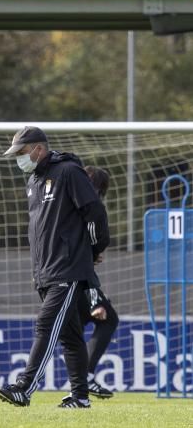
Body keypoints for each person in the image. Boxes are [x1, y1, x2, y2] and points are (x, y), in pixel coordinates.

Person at [0, 126, 110, 409]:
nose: (19, 159)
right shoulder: (34, 179)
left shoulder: (69, 172)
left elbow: (93, 211)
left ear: (38, 149)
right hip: (44, 272)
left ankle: (24, 387)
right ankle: (80, 398)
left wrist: (94, 249)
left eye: (21, 153)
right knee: (70, 336)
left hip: (67, 269)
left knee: (46, 324)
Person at [79, 166, 119, 399]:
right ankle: (83, 378)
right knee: (106, 317)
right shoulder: (93, 207)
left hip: (58, 272)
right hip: (79, 276)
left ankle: (83, 379)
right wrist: (93, 253)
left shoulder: (66, 204)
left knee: (70, 327)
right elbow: (98, 239)